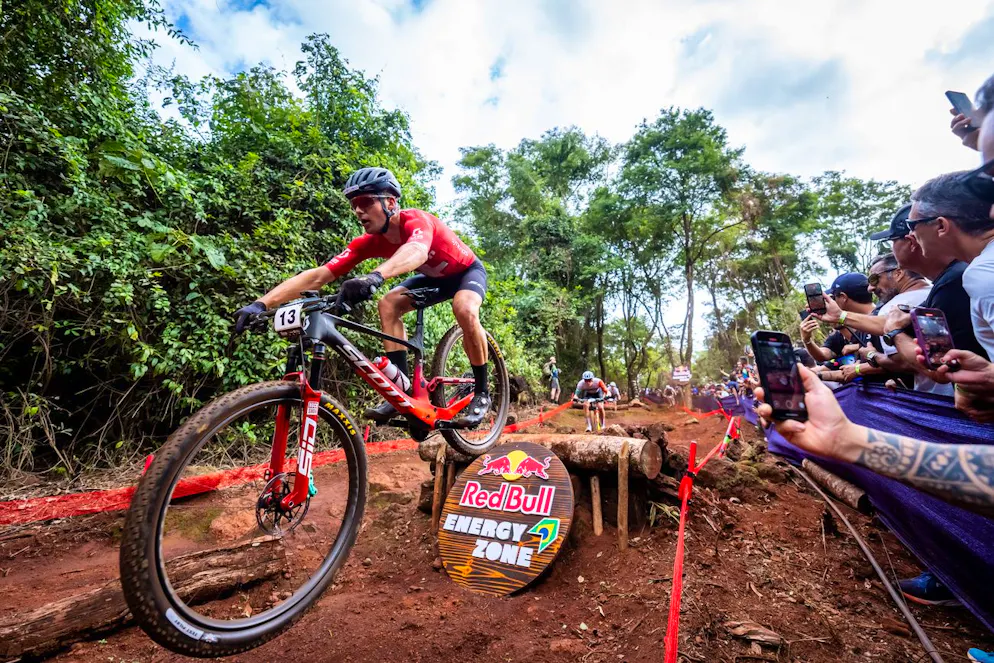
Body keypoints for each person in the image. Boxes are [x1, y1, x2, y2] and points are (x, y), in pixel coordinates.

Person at [232, 167, 491, 428]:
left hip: (465, 272)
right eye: (354, 204)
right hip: (433, 279)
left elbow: (417, 251)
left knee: (465, 309)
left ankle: (482, 391)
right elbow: (319, 276)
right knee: (388, 303)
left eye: (366, 202)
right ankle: (401, 388)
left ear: (390, 202)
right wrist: (261, 303)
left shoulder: (416, 220)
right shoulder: (368, 242)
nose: (358, 210)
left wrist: (375, 277)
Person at [801, 273, 874, 364]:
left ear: (843, 297)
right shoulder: (839, 335)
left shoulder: (879, 320)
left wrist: (858, 369)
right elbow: (823, 355)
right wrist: (807, 340)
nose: (831, 304)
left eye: (832, 298)